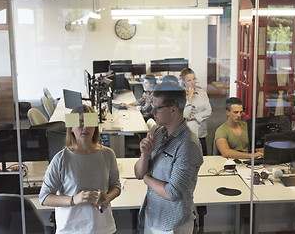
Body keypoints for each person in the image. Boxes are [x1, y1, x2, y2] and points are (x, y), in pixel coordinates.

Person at [39, 104, 121, 234]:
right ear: (71, 127)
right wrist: (73, 199)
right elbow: (44, 198)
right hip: (71, 229)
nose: (85, 127)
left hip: (103, 228)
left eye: (89, 122)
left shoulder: (108, 154)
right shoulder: (61, 159)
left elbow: (115, 186)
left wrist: (108, 198)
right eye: (80, 122)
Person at [134, 81, 203, 233]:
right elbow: (138, 173)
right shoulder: (159, 133)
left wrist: (147, 179)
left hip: (173, 225)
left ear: (173, 109)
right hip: (152, 216)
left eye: (157, 108)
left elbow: (173, 193)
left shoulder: (188, 144)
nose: (152, 112)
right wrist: (144, 155)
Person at [180, 67, 212, 155]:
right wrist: (189, 97)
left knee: (204, 158)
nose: (193, 82)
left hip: (201, 133)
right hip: (186, 134)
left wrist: (194, 117)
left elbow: (208, 111)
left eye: (194, 79)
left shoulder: (202, 93)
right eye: (189, 80)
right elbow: (185, 115)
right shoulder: (180, 95)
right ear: (183, 82)